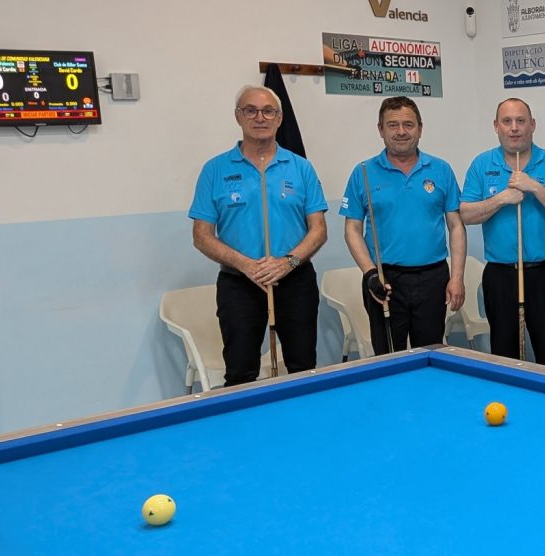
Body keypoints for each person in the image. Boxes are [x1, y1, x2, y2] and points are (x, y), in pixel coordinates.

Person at [188, 85, 328, 386]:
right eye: (250, 110)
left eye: (268, 111)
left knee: (304, 367)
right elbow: (201, 236)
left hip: (295, 279)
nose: (260, 117)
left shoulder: (301, 167)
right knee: (240, 372)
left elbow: (318, 229)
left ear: (279, 118)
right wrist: (248, 266)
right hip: (239, 283)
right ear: (238, 116)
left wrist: (287, 263)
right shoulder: (215, 170)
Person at [340, 96, 465, 355]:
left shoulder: (441, 169)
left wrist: (456, 277)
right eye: (392, 125)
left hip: (433, 278)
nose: (401, 132)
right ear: (380, 129)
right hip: (384, 280)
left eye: (408, 124)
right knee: (388, 358)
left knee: (431, 354)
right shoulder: (363, 172)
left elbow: (456, 226)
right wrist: (369, 274)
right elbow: (352, 229)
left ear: (420, 128)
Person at [460, 98, 545, 367]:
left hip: (544, 273)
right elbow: (465, 214)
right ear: (496, 126)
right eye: (507, 121)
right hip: (500, 275)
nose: (514, 128)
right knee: (503, 354)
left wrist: (535, 187)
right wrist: (501, 199)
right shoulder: (482, 164)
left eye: (521, 121)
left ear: (532, 125)